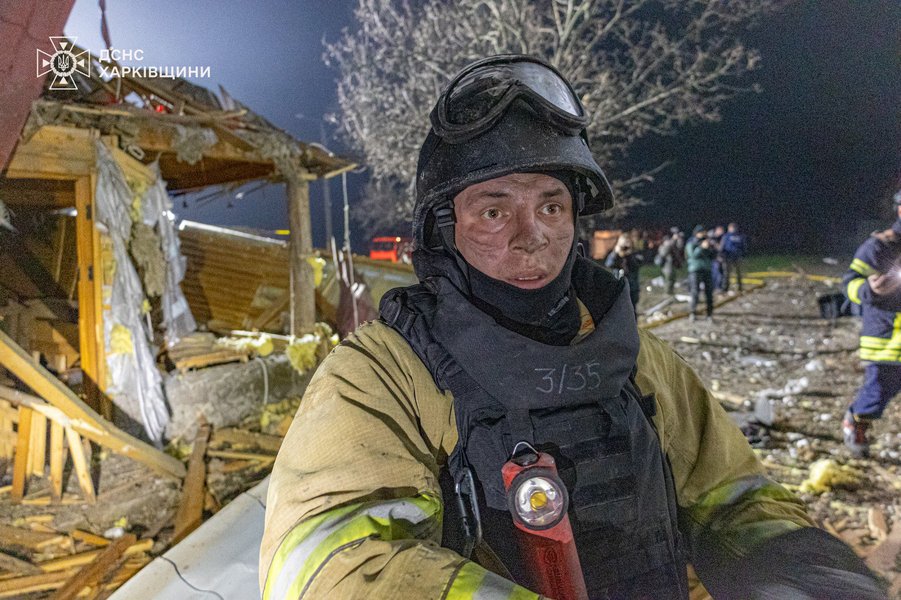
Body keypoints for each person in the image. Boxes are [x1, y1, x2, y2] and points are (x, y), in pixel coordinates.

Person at [261, 55, 886, 600]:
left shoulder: (634, 358)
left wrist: (803, 569)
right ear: (443, 232)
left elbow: (734, 497)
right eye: (494, 210)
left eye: (552, 205)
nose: (532, 236)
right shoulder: (381, 376)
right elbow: (328, 567)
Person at [842, 190, 901, 458]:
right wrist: (869, 289)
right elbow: (848, 284)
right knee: (878, 392)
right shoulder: (878, 247)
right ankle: (856, 420)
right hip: (886, 338)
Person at [685, 225, 717, 321]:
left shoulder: (707, 241)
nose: (704, 234)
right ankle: (693, 312)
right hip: (695, 270)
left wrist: (712, 248)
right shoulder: (691, 242)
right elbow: (693, 255)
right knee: (695, 292)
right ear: (696, 233)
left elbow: (713, 255)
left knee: (709, 292)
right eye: (701, 232)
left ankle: (709, 314)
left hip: (707, 269)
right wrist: (701, 247)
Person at [605, 233, 642, 311]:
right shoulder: (616, 255)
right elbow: (609, 264)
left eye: (627, 243)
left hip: (631, 288)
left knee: (631, 311)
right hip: (618, 288)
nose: (625, 247)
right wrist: (615, 253)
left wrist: (629, 255)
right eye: (622, 244)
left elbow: (636, 265)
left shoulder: (635, 254)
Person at [655, 226, 683, 295]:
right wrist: (672, 241)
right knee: (668, 280)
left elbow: (679, 248)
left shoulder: (673, 244)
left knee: (673, 280)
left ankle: (671, 293)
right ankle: (667, 294)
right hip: (666, 266)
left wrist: (679, 240)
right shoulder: (663, 246)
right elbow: (663, 253)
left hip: (672, 265)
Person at [720, 222, 747, 293]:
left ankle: (736, 288)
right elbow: (744, 247)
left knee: (733, 273)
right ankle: (727, 288)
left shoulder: (728, 236)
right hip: (729, 257)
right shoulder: (736, 236)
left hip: (734, 257)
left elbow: (743, 246)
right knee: (728, 274)